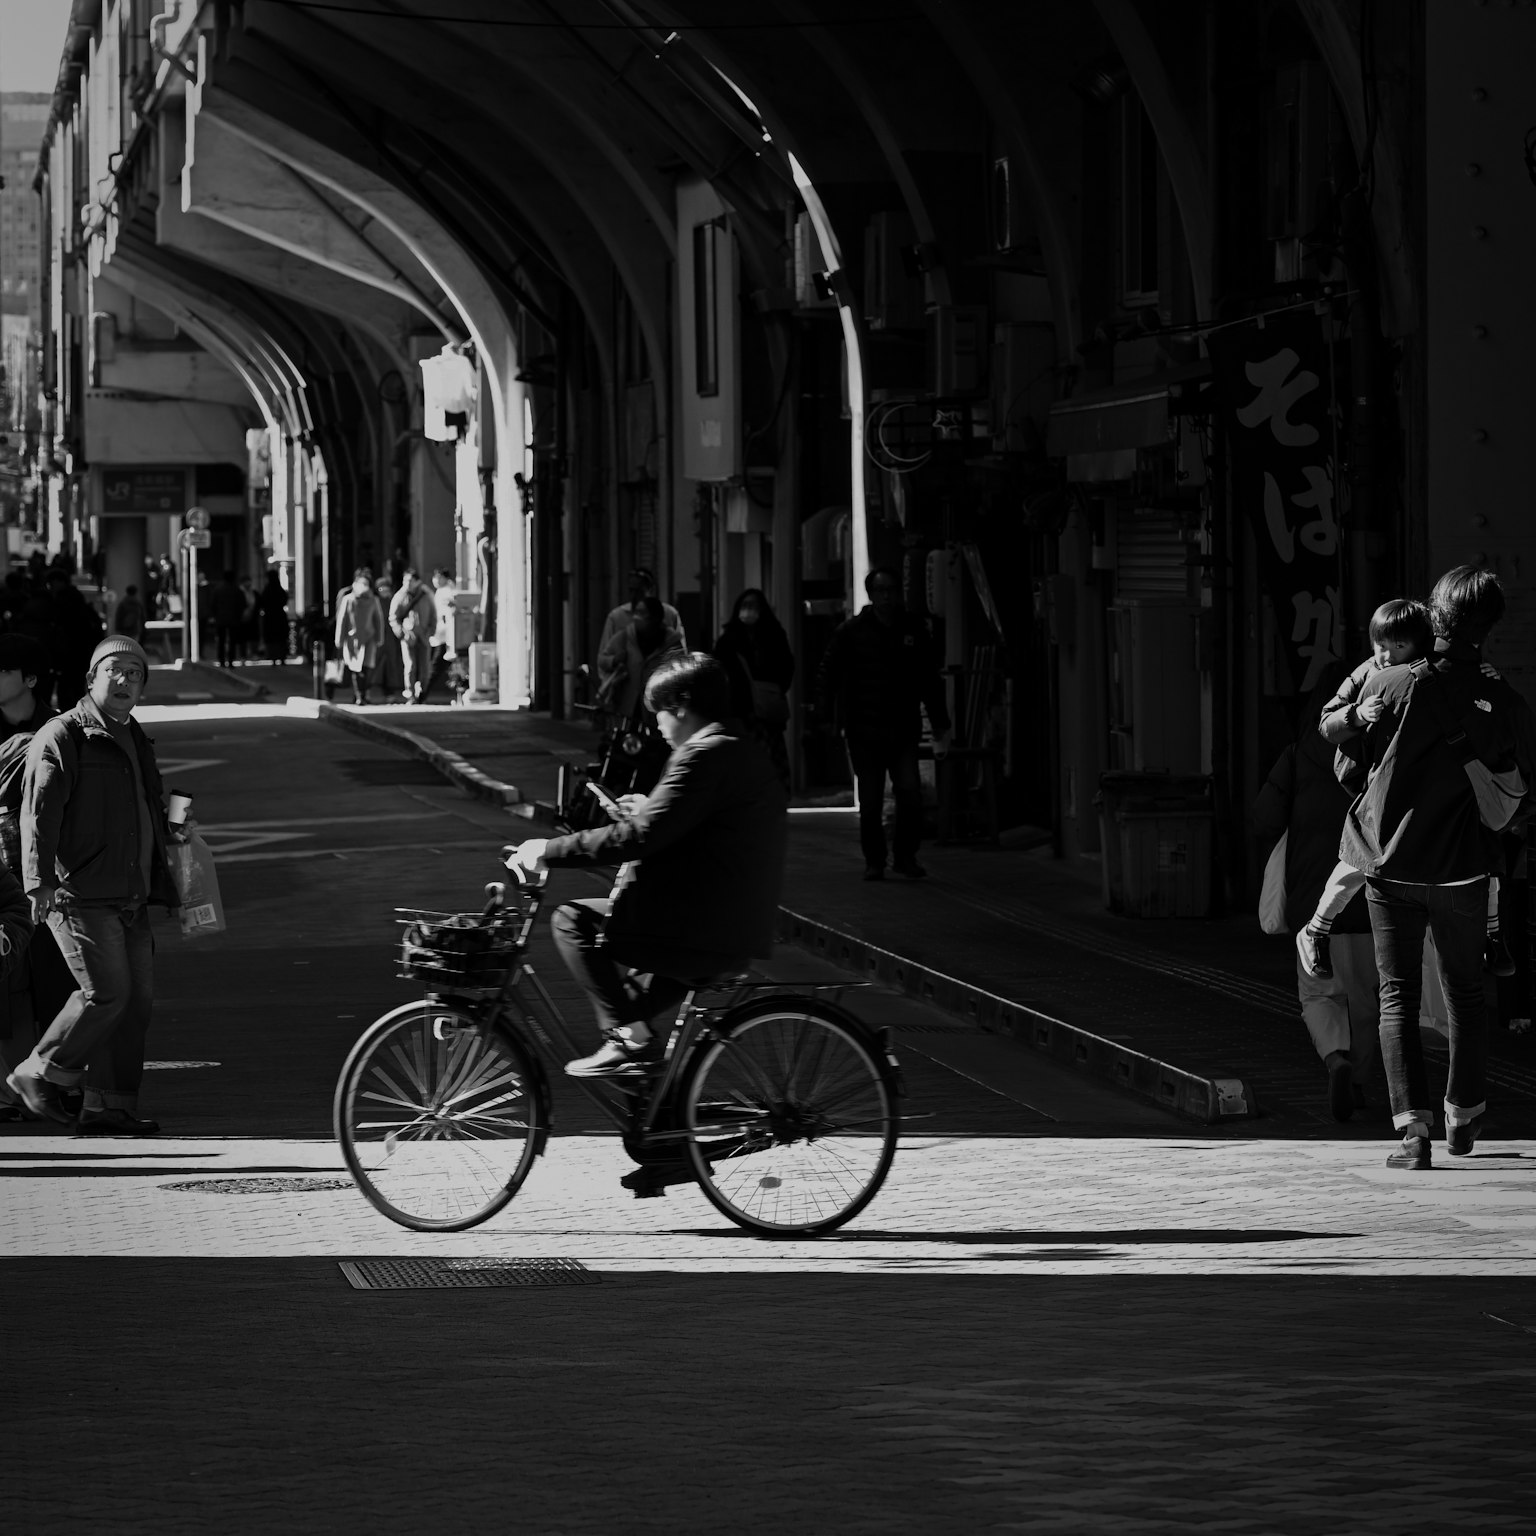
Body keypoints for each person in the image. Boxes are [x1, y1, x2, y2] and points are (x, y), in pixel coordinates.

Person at [506, 652, 787, 1078]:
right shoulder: (737, 747)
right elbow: (692, 824)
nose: (656, 725)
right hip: (728, 925)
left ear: (681, 706)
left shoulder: (700, 754)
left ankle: (630, 1041)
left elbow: (638, 838)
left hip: (700, 928)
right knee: (628, 1012)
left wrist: (548, 850)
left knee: (570, 921)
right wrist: (649, 810)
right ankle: (660, 1129)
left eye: (658, 712)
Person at [1340, 565, 1536, 1169]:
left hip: (1391, 866)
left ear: (1436, 616)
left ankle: (1413, 1135)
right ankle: (1463, 1117)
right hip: (1464, 871)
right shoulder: (1503, 696)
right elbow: (1516, 785)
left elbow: (1347, 765)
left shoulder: (1391, 684)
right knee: (1466, 994)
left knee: (1397, 994)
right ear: (1491, 625)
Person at [4, 636, 184, 1135]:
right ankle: (37, 1073)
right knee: (106, 992)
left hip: (129, 892)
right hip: (76, 893)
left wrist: (178, 822)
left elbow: (153, 799)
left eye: (135, 673)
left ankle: (110, 1106)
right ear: (91, 679)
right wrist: (38, 883)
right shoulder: (62, 736)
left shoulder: (135, 736)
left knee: (135, 1005)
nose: (125, 680)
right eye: (115, 670)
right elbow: (38, 813)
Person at [1300, 597, 1512, 981]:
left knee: (1483, 860)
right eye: (1378, 644)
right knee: (1356, 863)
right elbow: (1326, 723)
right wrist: (1356, 715)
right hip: (1379, 791)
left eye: (1397, 646)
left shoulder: (1436, 670)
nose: (1384, 655)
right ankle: (1316, 930)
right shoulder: (1368, 672)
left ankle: (1494, 937)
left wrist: (1488, 677)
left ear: (1422, 643)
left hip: (1422, 795)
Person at [1254, 665, 1380, 1122]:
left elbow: (1264, 817)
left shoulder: (1297, 754)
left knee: (1319, 993)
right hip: (1369, 896)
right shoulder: (1380, 751)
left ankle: (1335, 1059)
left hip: (1315, 900)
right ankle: (1361, 1080)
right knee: (1368, 999)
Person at [817, 565, 952, 881]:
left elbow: (928, 678)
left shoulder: (912, 630)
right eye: (881, 590)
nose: (887, 596)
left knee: (909, 792)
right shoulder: (852, 632)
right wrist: (824, 716)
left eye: (891, 590)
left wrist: (939, 720)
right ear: (871, 594)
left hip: (902, 727)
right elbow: (828, 673)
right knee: (872, 798)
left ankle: (905, 856)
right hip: (863, 730)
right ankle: (875, 860)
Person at [0, 635, 71, 1119]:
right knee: (5, 986)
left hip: (43, 872)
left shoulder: (58, 729)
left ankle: (48, 1083)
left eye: (2, 669)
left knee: (50, 974)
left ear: (28, 678)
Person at [713, 587, 795, 786]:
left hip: (767, 710)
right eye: (745, 606)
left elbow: (786, 667)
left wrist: (773, 691)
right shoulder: (729, 639)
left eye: (754, 606)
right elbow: (718, 670)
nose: (749, 611)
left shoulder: (774, 635)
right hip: (740, 710)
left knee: (771, 758)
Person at [596, 595, 682, 723]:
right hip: (627, 707)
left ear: (655, 617)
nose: (636, 617)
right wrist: (614, 660)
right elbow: (602, 660)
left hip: (658, 710)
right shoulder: (625, 636)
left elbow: (682, 671)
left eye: (642, 613)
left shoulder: (672, 641)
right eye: (636, 612)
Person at [598, 567, 686, 658]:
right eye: (631, 590)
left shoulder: (669, 614)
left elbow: (680, 652)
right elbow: (603, 656)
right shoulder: (616, 617)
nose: (633, 596)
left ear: (651, 590)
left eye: (639, 591)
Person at [334, 569, 384, 706]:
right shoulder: (348, 599)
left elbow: (378, 620)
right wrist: (339, 639)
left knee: (366, 668)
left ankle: (363, 693)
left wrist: (379, 638)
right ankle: (359, 695)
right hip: (352, 639)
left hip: (369, 639)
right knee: (356, 668)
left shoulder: (374, 600)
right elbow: (342, 620)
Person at [389, 567, 436, 704]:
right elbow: (393, 618)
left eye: (410, 580)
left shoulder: (426, 595)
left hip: (424, 636)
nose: (407, 583)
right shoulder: (400, 596)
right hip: (408, 636)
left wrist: (430, 633)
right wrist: (401, 633)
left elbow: (434, 616)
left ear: (417, 581)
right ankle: (410, 694)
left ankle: (422, 693)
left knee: (425, 667)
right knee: (410, 665)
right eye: (405, 580)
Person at [427, 567, 457, 700]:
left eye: (439, 577)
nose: (436, 580)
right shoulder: (440, 591)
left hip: (447, 635)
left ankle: (423, 693)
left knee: (437, 665)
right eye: (435, 577)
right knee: (440, 665)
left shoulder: (449, 591)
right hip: (440, 634)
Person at [207, 570, 245, 670]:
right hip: (233, 619)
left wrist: (215, 616)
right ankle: (231, 660)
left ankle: (222, 660)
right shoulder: (236, 590)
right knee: (232, 640)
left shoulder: (218, 589)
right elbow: (242, 604)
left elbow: (213, 604)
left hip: (221, 619)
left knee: (221, 640)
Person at [259, 571, 290, 664]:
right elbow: (285, 601)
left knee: (271, 638)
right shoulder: (280, 590)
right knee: (281, 638)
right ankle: (282, 657)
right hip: (280, 616)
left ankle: (273, 658)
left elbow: (262, 603)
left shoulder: (267, 590)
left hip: (270, 617)